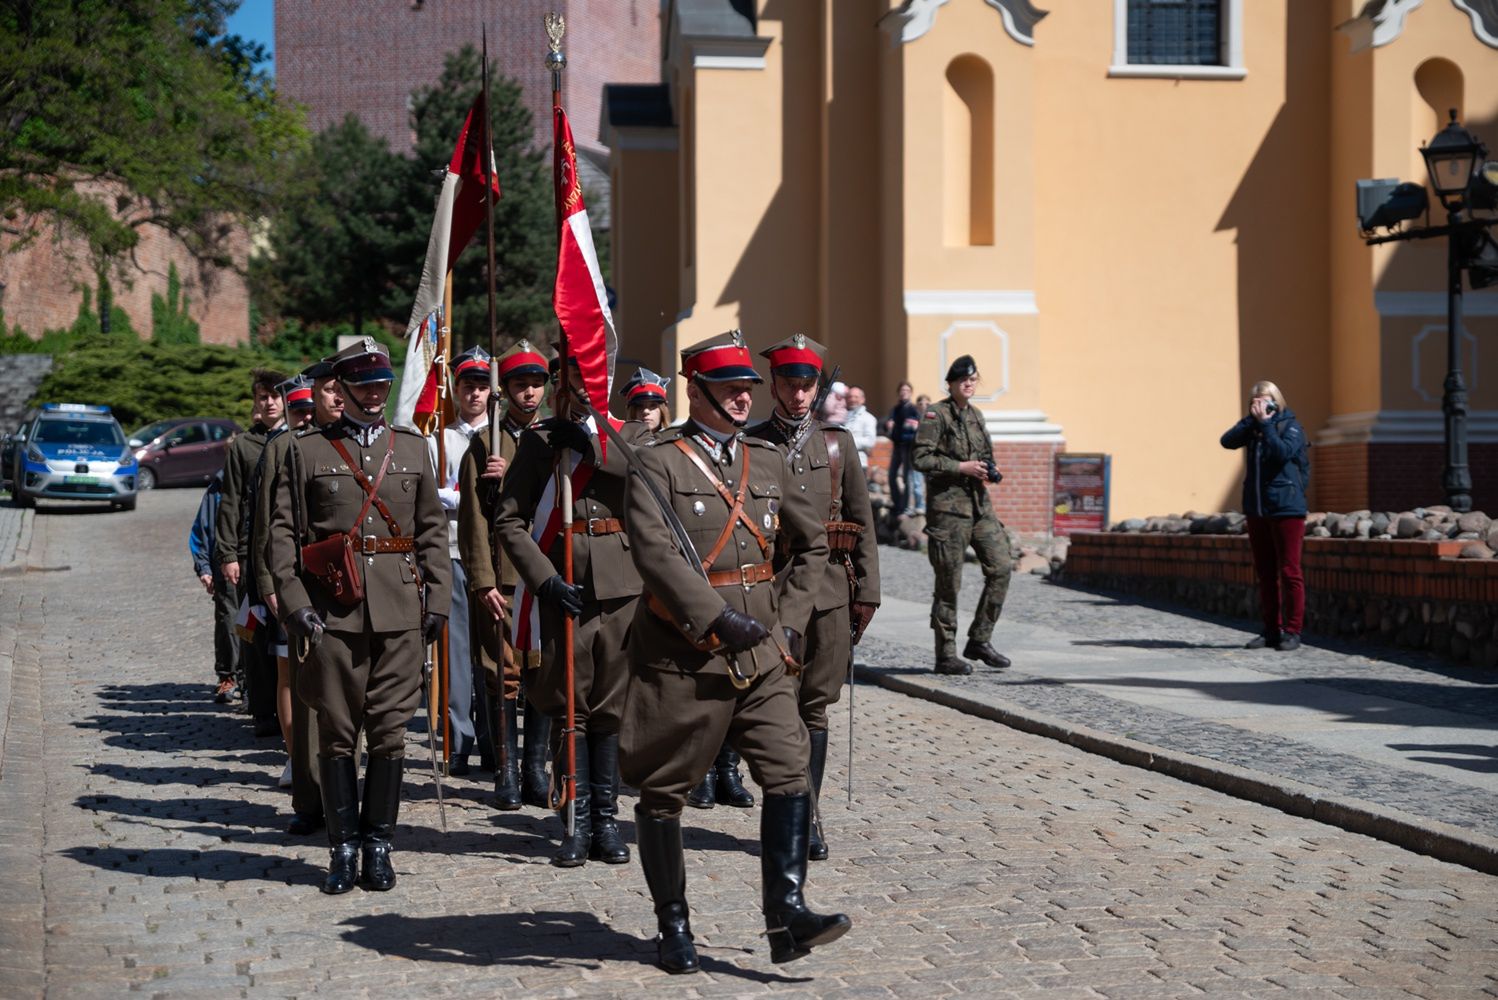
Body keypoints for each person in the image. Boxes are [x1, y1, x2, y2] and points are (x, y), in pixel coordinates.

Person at [620, 329, 849, 973]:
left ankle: (788, 914)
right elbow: (656, 554)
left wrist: (789, 620)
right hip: (687, 655)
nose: (743, 399)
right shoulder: (658, 460)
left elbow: (811, 547)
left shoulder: (767, 461)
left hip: (763, 655)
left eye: (747, 388)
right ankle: (673, 925)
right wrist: (715, 616)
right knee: (665, 793)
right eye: (729, 389)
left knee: (788, 769)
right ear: (697, 390)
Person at [267, 338, 451, 895]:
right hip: (332, 614)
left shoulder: (413, 450)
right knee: (339, 736)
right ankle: (342, 849)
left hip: (400, 613)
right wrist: (295, 603)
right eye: (363, 386)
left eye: (381, 386)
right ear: (340, 390)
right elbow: (281, 535)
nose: (374, 395)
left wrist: (438, 601)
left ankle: (379, 846)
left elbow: (431, 535)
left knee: (391, 736)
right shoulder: (306, 450)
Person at [493, 355, 641, 868]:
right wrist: (545, 580)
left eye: (595, 374)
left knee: (611, 710)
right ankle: (575, 819)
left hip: (621, 590)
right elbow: (508, 520)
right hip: (566, 586)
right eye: (577, 376)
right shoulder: (540, 441)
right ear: (566, 382)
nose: (586, 385)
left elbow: (646, 479)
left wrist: (592, 445)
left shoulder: (631, 435)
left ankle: (607, 817)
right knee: (572, 708)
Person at [748, 335, 880, 861]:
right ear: (774, 386)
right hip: (770, 589)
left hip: (827, 592)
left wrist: (866, 592)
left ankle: (809, 817)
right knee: (771, 709)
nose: (800, 394)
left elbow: (863, 520)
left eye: (808, 385)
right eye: (790, 384)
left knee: (815, 711)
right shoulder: (752, 443)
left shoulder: (837, 443)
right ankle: (783, 810)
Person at [457, 341, 552, 810]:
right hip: (504, 576)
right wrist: (481, 580)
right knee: (503, 676)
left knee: (541, 673)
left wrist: (513, 472)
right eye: (520, 384)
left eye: (536, 384)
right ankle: (507, 772)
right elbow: (473, 520)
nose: (529, 393)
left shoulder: (556, 437)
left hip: (547, 576)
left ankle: (537, 770)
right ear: (505, 390)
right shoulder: (485, 444)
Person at [255, 361, 344, 835]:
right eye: (328, 390)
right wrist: (271, 585)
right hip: (304, 588)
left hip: (351, 587)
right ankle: (310, 797)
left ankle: (348, 795)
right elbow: (270, 524)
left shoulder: (370, 443)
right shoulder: (287, 448)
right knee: (310, 698)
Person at [912, 355, 1014, 675]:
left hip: (979, 507)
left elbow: (985, 455)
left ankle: (979, 639)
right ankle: (945, 655)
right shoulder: (936, 415)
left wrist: (989, 471)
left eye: (972, 380)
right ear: (951, 384)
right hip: (948, 511)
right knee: (949, 582)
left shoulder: (976, 416)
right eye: (962, 381)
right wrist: (960, 467)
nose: (968, 384)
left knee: (1001, 567)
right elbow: (921, 458)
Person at [427, 346, 494, 776]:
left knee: (492, 655)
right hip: (451, 550)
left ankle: (494, 740)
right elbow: (429, 499)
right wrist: (451, 496)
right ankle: (459, 738)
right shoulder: (440, 439)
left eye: (482, 386)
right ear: (455, 387)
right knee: (455, 654)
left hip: (492, 556)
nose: (474, 393)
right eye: (467, 385)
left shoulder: (500, 438)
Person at [216, 366, 287, 735]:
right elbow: (229, 503)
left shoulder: (296, 440)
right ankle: (262, 709)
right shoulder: (244, 445)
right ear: (256, 402)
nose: (270, 402)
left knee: (285, 635)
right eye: (264, 397)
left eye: (276, 396)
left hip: (284, 551)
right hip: (247, 553)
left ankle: (286, 705)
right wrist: (228, 554)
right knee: (253, 632)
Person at [1220, 379, 1308, 652]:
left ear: (1277, 401)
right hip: (1257, 509)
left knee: (1289, 571)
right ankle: (1271, 630)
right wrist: (1251, 420)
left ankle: (1292, 631)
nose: (1260, 405)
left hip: (1287, 508)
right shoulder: (1254, 429)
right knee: (1265, 573)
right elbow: (1227, 441)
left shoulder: (1290, 427)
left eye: (1266, 400)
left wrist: (1267, 424)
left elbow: (1281, 453)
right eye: (1255, 401)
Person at [188, 469, 237, 703]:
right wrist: (204, 569)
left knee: (252, 623)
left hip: (253, 564)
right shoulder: (217, 489)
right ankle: (228, 675)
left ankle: (249, 679)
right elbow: (201, 531)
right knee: (228, 620)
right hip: (223, 567)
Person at [883, 381, 921, 524]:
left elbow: (913, 428)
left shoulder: (912, 409)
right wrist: (889, 426)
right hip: (897, 446)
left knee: (907, 478)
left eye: (906, 390)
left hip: (908, 447)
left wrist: (903, 428)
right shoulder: (896, 408)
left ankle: (906, 507)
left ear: (910, 392)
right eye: (901, 390)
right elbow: (887, 425)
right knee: (892, 475)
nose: (904, 392)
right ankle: (898, 504)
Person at [842, 384, 877, 468]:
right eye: (850, 397)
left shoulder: (868, 418)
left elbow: (870, 441)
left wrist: (847, 441)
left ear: (862, 399)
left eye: (856, 397)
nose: (852, 399)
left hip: (859, 463)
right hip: (842, 463)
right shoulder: (842, 416)